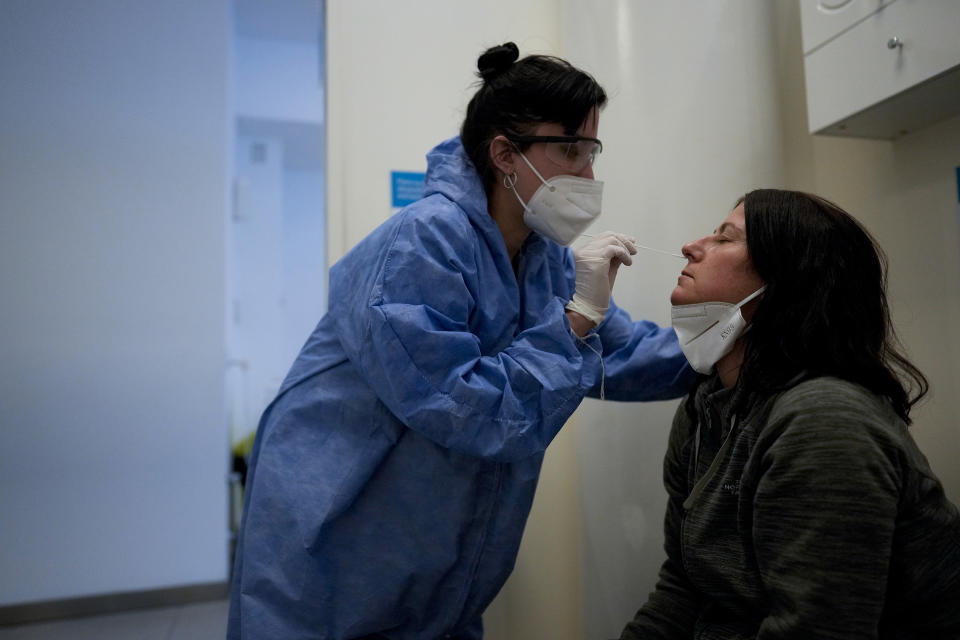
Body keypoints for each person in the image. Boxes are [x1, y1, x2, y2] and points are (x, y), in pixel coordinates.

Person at [227, 42, 694, 639]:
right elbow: (469, 408)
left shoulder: (543, 257)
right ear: (505, 153)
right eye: (572, 150)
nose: (590, 176)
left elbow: (618, 353)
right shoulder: (421, 244)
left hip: (438, 566)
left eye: (593, 152)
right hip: (338, 548)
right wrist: (576, 319)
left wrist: (729, 346)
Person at [620, 189, 960, 639]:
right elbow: (685, 585)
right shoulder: (705, 409)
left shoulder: (825, 421)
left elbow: (819, 630)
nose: (691, 246)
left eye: (725, 238)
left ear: (784, 282)